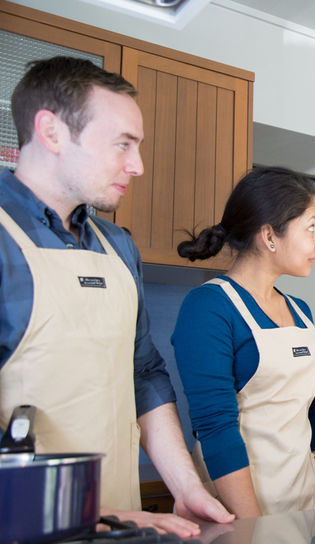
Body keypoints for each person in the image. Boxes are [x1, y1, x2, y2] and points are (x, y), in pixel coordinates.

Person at [0, 56, 233, 535]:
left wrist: (186, 487)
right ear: (52, 132)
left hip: (123, 523)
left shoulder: (118, 245)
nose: (138, 165)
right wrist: (81, 514)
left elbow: (143, 373)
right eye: (122, 145)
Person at [172, 167, 315, 517]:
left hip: (307, 508)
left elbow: (309, 413)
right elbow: (215, 428)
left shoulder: (300, 310)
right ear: (269, 236)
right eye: (310, 227)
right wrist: (251, 528)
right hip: (240, 514)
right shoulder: (208, 308)